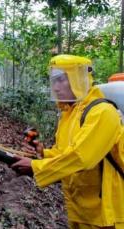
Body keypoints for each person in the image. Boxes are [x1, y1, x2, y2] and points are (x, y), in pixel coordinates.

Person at [11, 55, 124, 229]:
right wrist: (43, 153)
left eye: (61, 80)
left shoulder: (102, 112)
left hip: (107, 213)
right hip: (79, 208)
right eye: (53, 81)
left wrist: (36, 167)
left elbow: (82, 157)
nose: (55, 87)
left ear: (78, 78)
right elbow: (65, 152)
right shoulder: (69, 114)